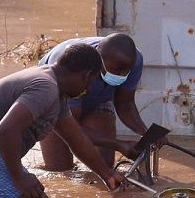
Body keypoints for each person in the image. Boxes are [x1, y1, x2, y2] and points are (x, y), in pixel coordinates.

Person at [0, 43, 129, 198]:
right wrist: (19, 176)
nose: (87, 90)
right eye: (91, 83)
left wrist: (107, 174)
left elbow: (76, 139)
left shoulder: (55, 88)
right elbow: (6, 130)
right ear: (87, 76)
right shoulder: (45, 88)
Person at [38, 34, 148, 170]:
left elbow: (125, 104)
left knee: (105, 164)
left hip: (98, 99)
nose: (121, 75)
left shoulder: (134, 60)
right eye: (116, 70)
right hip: (59, 101)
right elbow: (72, 128)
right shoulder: (76, 65)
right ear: (98, 63)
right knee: (59, 169)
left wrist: (147, 134)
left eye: (126, 71)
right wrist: (118, 144)